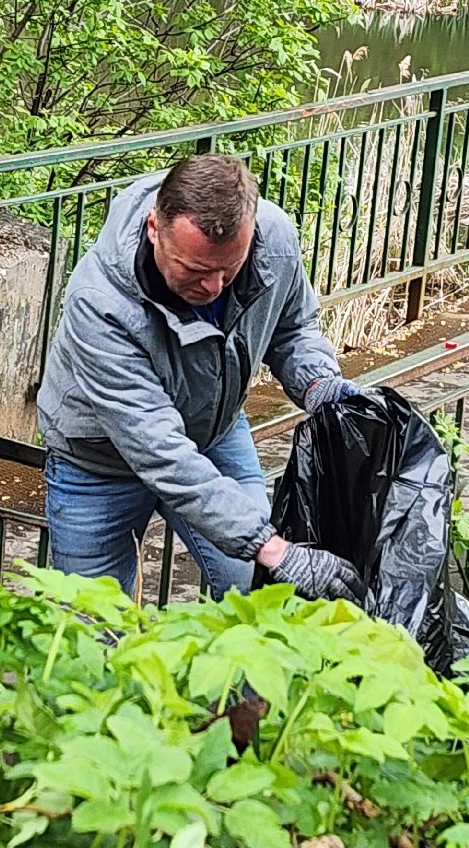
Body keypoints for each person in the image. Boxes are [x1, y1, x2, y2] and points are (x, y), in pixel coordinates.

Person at [36, 154, 366, 603]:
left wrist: (319, 384)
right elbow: (158, 449)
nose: (213, 287)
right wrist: (270, 547)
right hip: (99, 463)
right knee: (90, 633)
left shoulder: (274, 240)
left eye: (229, 270)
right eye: (194, 270)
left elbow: (292, 328)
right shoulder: (99, 304)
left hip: (214, 435)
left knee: (262, 598)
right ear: (154, 227)